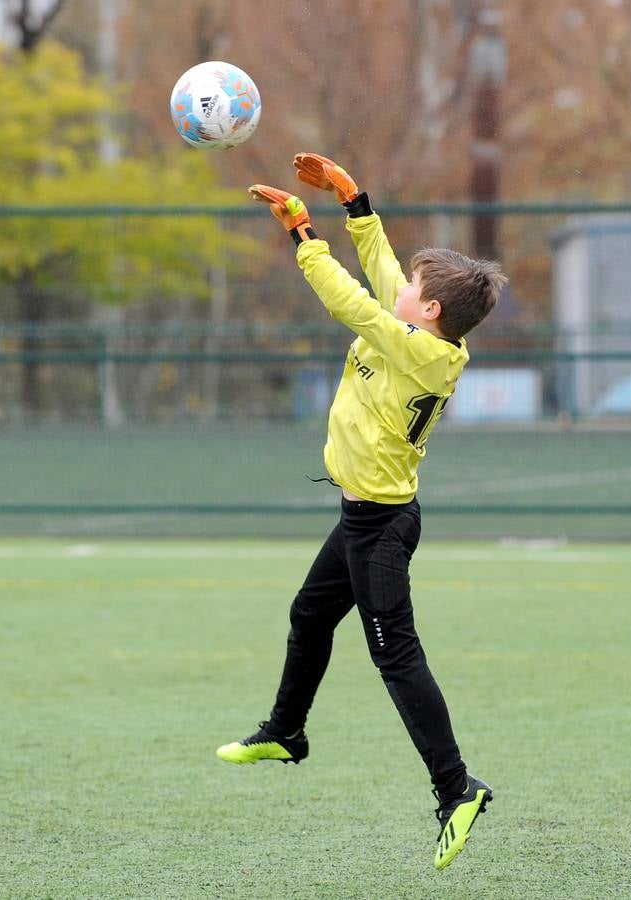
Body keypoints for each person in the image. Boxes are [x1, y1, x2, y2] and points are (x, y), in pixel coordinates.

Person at [215, 153, 506, 872]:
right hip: (360, 521)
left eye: (413, 287)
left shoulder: (424, 353)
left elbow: (353, 302)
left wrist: (302, 234)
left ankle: (456, 787)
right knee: (309, 616)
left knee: (394, 654)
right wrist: (354, 200)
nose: (400, 288)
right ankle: (286, 731)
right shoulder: (419, 333)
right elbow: (380, 284)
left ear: (428, 311)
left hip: (380, 528)